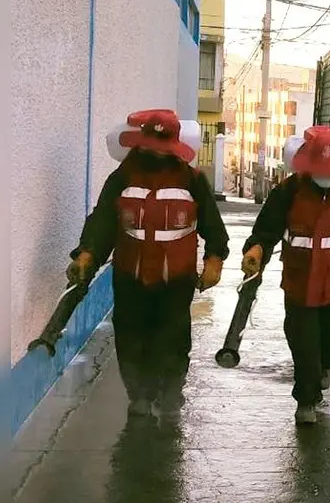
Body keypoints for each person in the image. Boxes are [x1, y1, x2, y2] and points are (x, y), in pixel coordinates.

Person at [65, 109, 230, 419]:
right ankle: (139, 395)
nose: (154, 151)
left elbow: (212, 224)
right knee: (130, 336)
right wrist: (86, 254)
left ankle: (170, 393)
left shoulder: (191, 179)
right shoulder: (121, 177)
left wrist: (214, 258)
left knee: (173, 337)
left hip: (176, 277)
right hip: (131, 274)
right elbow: (102, 221)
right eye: (149, 144)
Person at [240, 126, 330, 425]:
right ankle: (306, 400)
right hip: (298, 283)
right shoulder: (290, 189)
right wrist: (256, 250)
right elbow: (267, 228)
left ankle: (324, 368)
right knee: (303, 343)